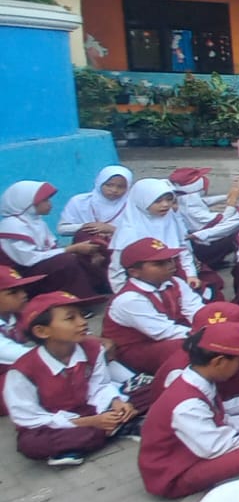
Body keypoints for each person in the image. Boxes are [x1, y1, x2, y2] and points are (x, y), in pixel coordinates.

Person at [137, 322, 239, 499]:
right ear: (219, 362)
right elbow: (216, 446)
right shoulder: (188, 404)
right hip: (173, 474)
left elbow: (220, 417)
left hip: (197, 448)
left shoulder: (200, 380)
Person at [5, 291, 138, 466]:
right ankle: (113, 428)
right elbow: (28, 417)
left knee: (148, 389)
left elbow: (99, 384)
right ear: (42, 331)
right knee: (31, 444)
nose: (82, 322)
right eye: (70, 318)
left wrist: (115, 402)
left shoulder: (92, 348)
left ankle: (98, 434)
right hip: (54, 423)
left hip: (89, 408)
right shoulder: (22, 371)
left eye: (82, 315)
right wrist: (90, 422)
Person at [102, 237, 204, 374]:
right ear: (134, 272)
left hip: (167, 338)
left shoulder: (175, 282)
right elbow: (164, 332)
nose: (170, 265)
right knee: (194, 347)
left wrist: (211, 325)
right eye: (159, 263)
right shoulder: (129, 299)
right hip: (137, 352)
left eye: (170, 260)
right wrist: (207, 334)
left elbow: (196, 310)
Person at [0, 181, 104, 298]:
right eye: (45, 201)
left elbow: (51, 249)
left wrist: (77, 250)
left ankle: (100, 287)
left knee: (80, 254)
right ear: (27, 204)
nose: (49, 204)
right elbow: (29, 259)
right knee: (65, 260)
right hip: (21, 274)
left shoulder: (36, 221)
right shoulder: (12, 226)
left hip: (36, 267)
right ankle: (81, 298)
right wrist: (71, 249)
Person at [0, 268, 46, 403]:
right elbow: (20, 355)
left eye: (22, 289)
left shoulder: (16, 314)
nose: (24, 295)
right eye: (13, 292)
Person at [55, 165, 132, 245]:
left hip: (121, 247)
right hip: (85, 247)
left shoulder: (131, 205)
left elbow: (138, 232)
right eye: (109, 185)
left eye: (121, 187)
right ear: (99, 183)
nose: (114, 190)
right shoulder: (79, 201)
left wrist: (112, 229)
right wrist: (88, 226)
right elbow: (62, 229)